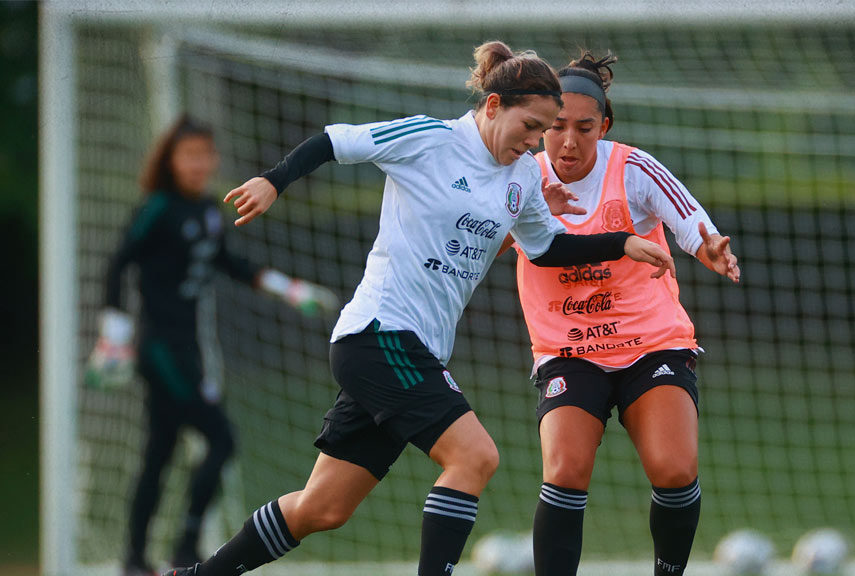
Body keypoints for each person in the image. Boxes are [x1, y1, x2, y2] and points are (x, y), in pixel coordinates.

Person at [161, 41, 677, 576]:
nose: (534, 144)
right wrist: (274, 180)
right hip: (380, 334)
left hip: (414, 351)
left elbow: (546, 247)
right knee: (474, 456)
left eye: (541, 131)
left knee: (323, 507)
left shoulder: (522, 177)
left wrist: (619, 243)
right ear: (494, 106)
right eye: (530, 127)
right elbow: (335, 141)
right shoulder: (431, 139)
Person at [510, 51, 740, 575]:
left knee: (675, 468)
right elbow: (485, 238)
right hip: (568, 351)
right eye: (557, 126)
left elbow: (691, 223)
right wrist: (522, 208)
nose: (569, 141)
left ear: (604, 126)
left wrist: (712, 249)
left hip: (650, 345)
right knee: (564, 469)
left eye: (585, 128)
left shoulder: (632, 167)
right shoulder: (521, 174)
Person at [87, 115, 338, 576]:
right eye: (189, 155)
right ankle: (185, 551)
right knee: (220, 440)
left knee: (159, 453)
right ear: (170, 160)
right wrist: (115, 337)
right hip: (159, 351)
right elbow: (117, 262)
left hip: (188, 351)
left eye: (205, 155)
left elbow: (232, 264)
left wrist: (290, 290)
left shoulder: (206, 211)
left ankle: (134, 559)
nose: (199, 164)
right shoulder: (157, 208)